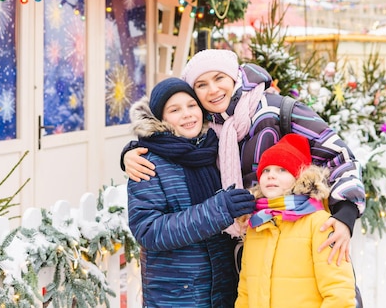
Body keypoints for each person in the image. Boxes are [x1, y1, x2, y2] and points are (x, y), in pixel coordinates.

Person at [122, 49, 366, 266]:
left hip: (296, 243)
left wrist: (345, 214)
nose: (214, 90)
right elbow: (169, 141)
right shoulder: (208, 128)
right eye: (202, 84)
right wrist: (130, 152)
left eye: (219, 78)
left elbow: (338, 155)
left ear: (234, 77)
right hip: (245, 253)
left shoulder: (277, 110)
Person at [127, 77, 256, 308]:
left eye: (191, 105)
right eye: (174, 110)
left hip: (222, 287)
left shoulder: (215, 148)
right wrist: (220, 209)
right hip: (178, 294)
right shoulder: (147, 162)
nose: (187, 114)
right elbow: (148, 230)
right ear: (161, 119)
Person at [235, 133, 359, 307]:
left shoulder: (319, 224)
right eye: (266, 170)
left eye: (282, 170)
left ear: (299, 177)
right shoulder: (256, 226)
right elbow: (245, 292)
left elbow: (340, 293)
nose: (271, 175)